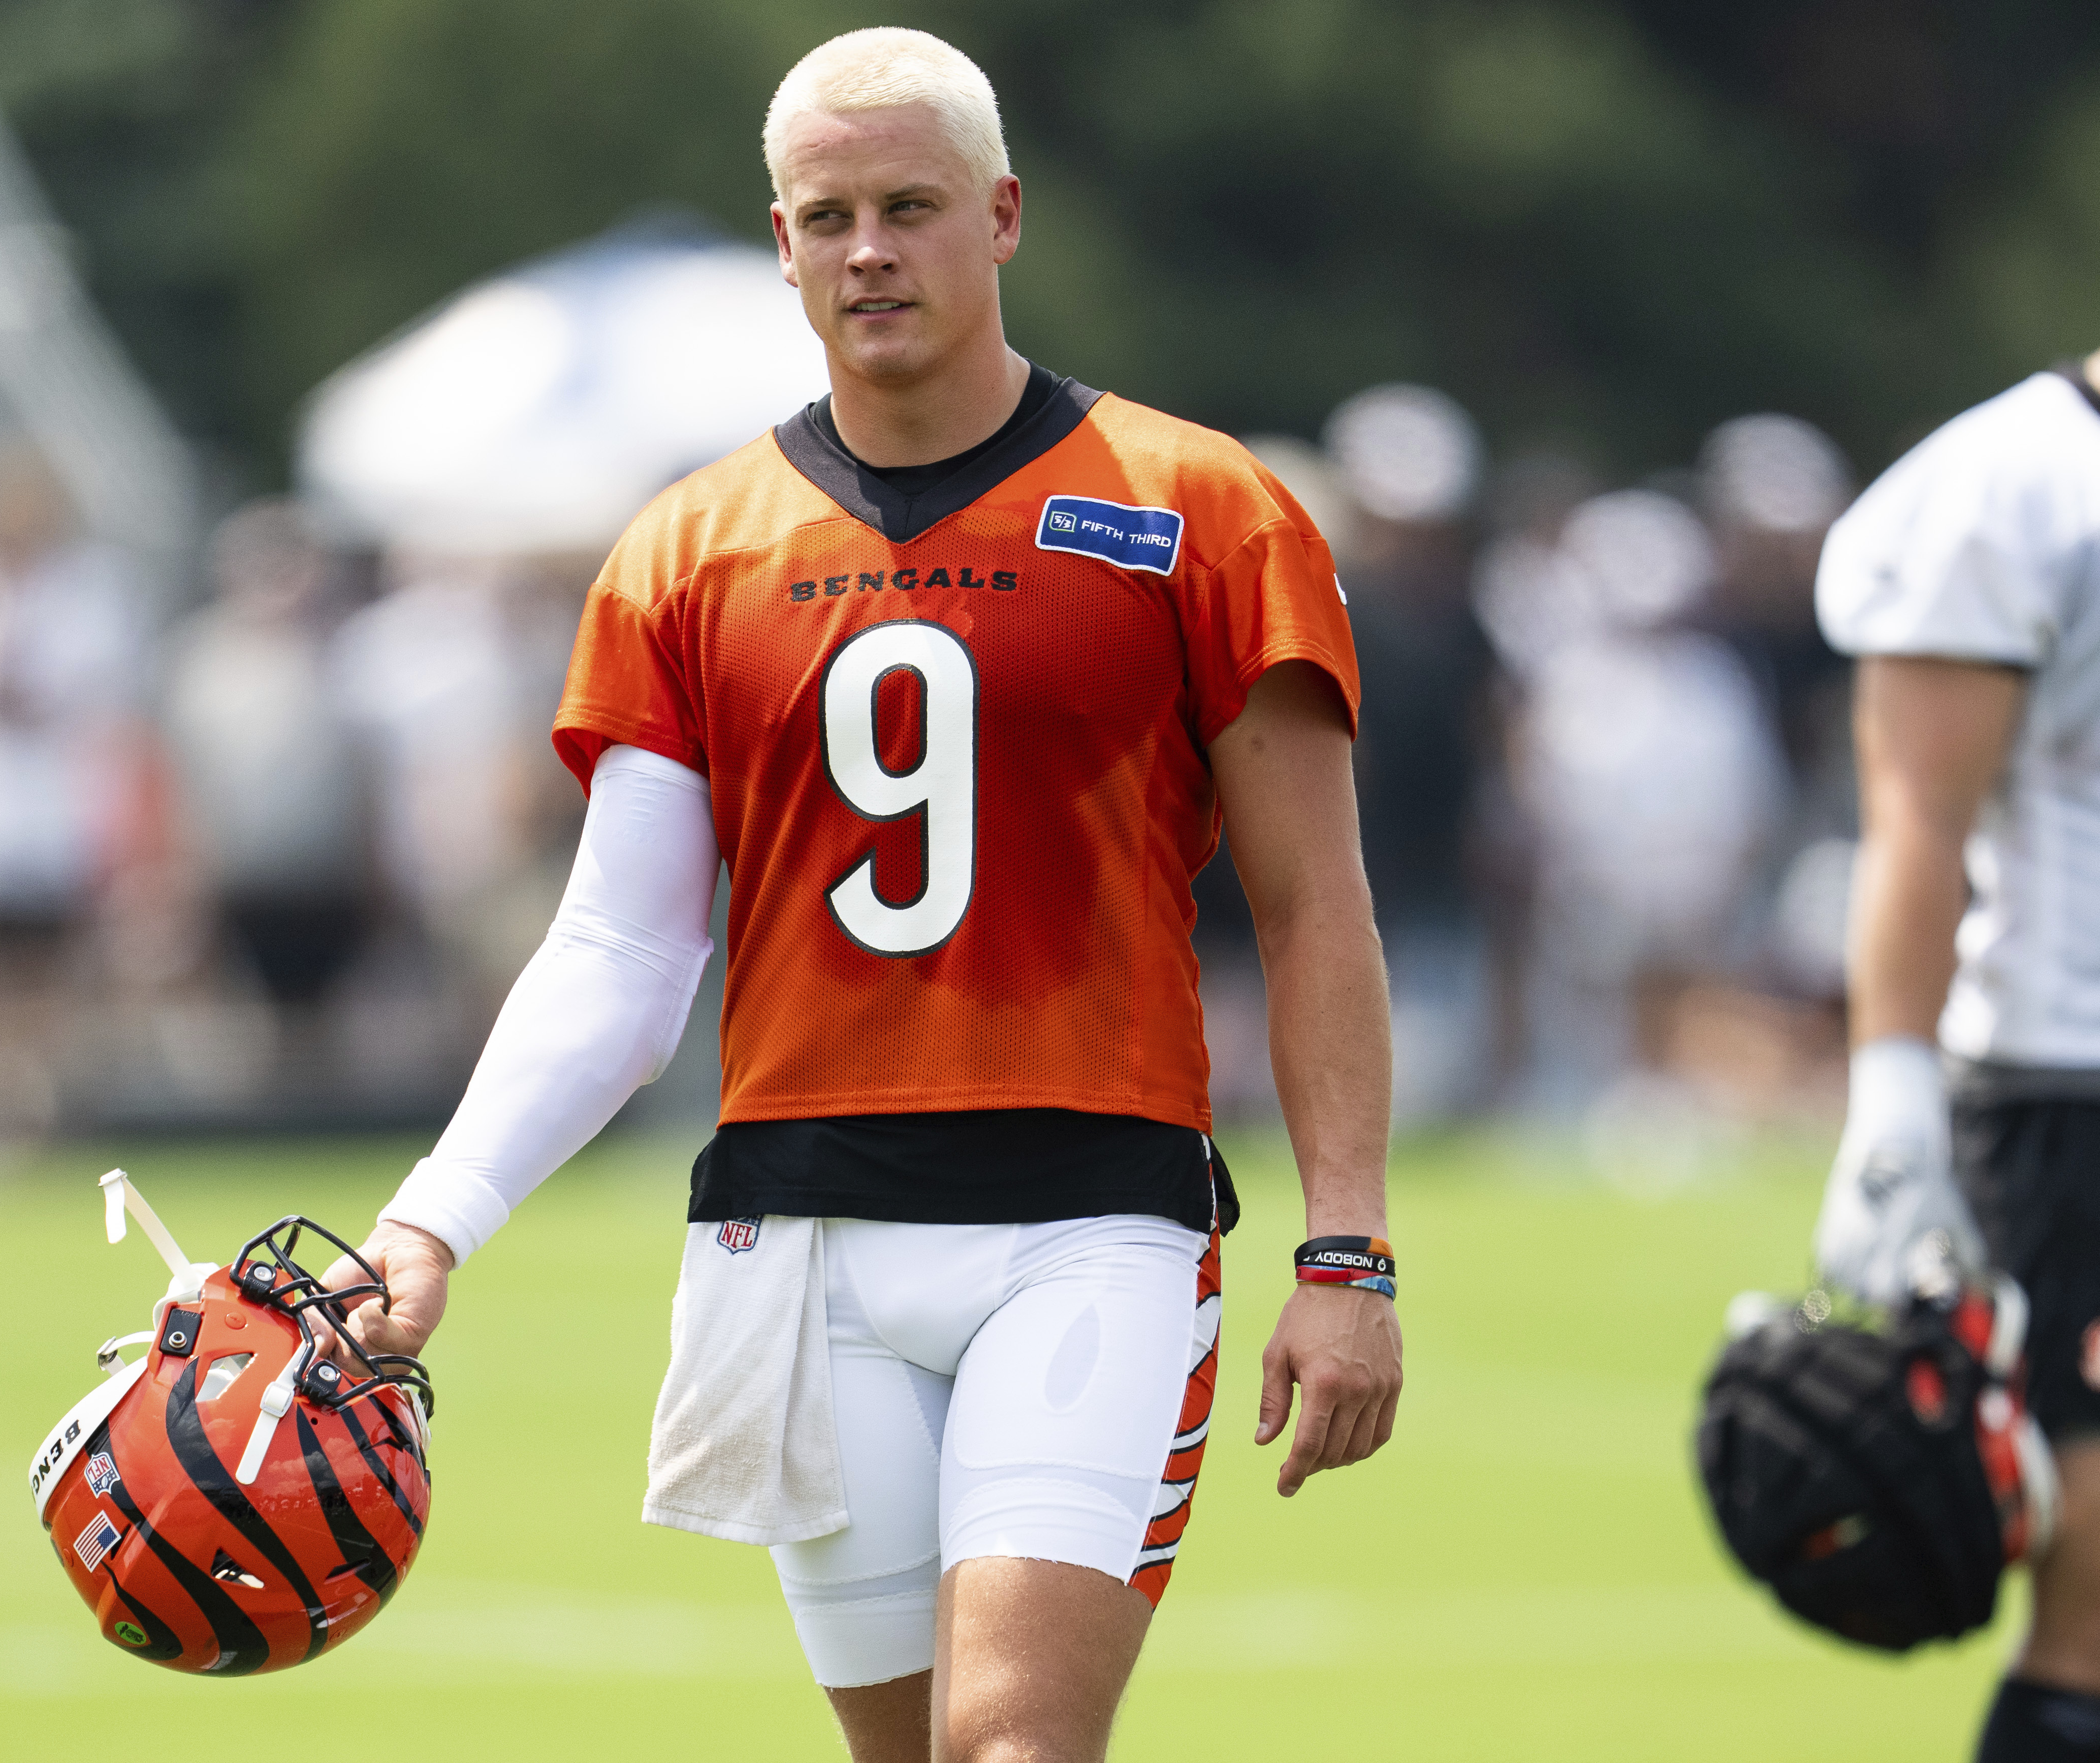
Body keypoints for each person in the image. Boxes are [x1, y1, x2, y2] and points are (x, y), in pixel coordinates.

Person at [342, 28, 1404, 1761]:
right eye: (828, 215)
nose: (868, 251)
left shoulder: (1200, 508)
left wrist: (1345, 1244)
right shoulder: (688, 548)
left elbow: (1315, 907)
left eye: (909, 207)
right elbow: (621, 945)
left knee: (1011, 1747)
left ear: (999, 217)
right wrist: (431, 1218)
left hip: (1090, 1213)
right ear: (779, 240)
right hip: (799, 1230)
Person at [1812, 350, 2100, 1762]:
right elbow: (1916, 818)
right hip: (2072, 1083)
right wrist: (1893, 1099)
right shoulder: (2013, 482)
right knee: (2099, 1612)